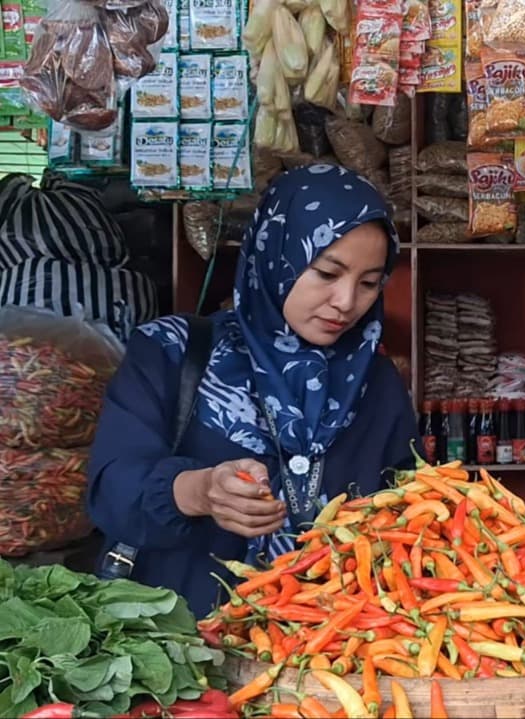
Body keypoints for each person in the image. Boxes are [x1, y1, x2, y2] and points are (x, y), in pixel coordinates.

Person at [87, 164, 421, 614]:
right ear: (276, 255)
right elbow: (110, 490)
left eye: (367, 283)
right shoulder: (174, 353)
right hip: (184, 646)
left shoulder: (376, 384)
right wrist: (199, 490)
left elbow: (411, 512)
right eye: (326, 273)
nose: (346, 302)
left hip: (333, 654)